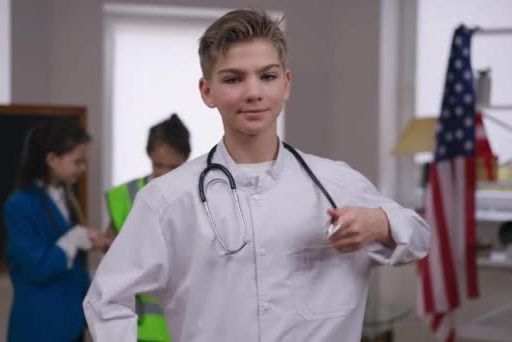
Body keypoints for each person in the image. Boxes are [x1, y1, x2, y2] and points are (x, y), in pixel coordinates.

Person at [84, 9, 430, 341]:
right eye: (233, 79)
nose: (253, 92)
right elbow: (107, 298)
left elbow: (419, 238)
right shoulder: (167, 200)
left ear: (286, 83)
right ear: (208, 92)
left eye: (267, 76)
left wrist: (380, 224)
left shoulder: (337, 184)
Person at [4, 119, 108, 342]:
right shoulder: (19, 205)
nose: (84, 168)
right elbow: (37, 268)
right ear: (51, 159)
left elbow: (75, 266)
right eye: (78, 161)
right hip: (40, 326)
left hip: (70, 321)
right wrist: (72, 240)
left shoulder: (66, 198)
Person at [105, 113, 191, 342]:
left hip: (185, 325)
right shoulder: (125, 196)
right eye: (157, 165)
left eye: (172, 166)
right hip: (138, 327)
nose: (163, 173)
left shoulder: (198, 197)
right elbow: (110, 253)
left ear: (186, 160)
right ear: (149, 155)